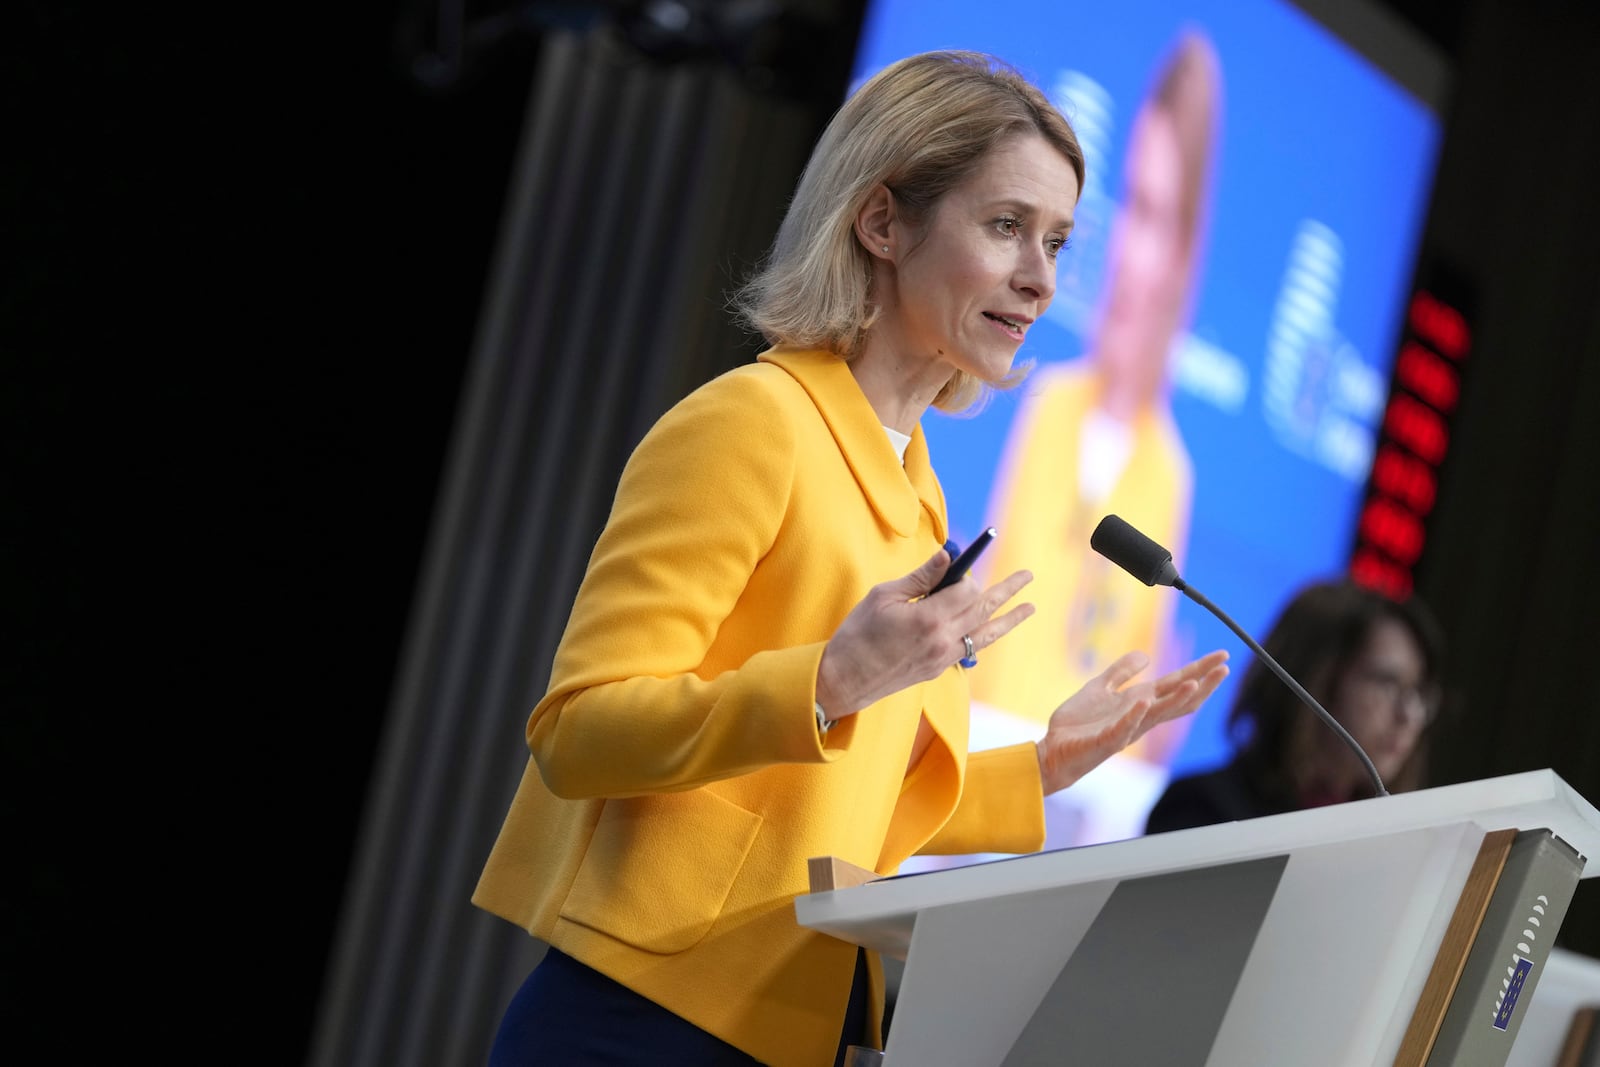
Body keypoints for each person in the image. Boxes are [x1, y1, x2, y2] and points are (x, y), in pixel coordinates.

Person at [472, 50, 1230, 1067]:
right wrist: (827, 680)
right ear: (882, 223)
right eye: (1005, 227)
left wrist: (1046, 764)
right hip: (647, 1018)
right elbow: (577, 730)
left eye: (1054, 241)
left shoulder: (921, 494)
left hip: (806, 1026)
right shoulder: (754, 423)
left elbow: (850, 804)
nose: (1041, 279)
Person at [973, 32, 1223, 762]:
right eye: (1126, 206)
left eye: (1152, 214)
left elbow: (1132, 707)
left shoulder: (1169, 473)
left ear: (1184, 255)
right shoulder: (1049, 403)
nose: (1121, 247)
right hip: (973, 776)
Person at [1144, 578, 1445, 834]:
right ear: (1315, 679)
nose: (1409, 716)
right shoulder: (1203, 813)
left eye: (1418, 693)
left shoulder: (1391, 838)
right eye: (1387, 683)